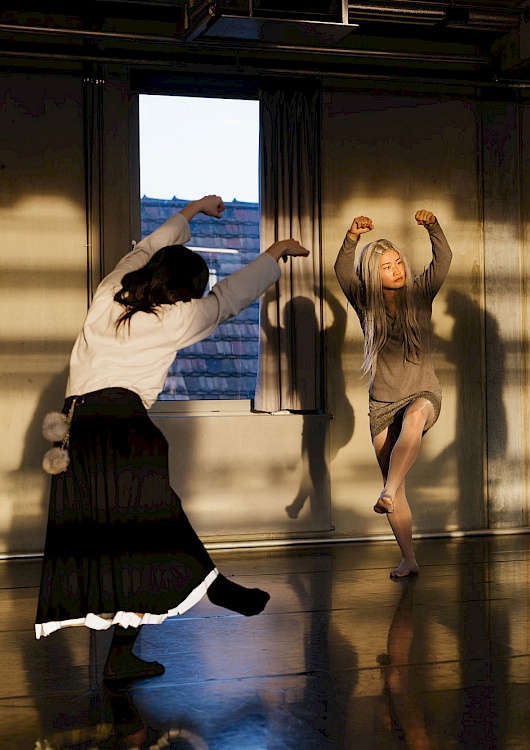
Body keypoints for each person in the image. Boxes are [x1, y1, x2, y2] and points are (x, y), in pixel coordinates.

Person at [34, 195, 309, 683]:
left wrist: (193, 211)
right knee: (152, 527)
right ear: (182, 292)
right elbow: (226, 300)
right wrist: (273, 255)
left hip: (78, 433)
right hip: (123, 428)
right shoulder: (173, 319)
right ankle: (214, 585)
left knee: (118, 544)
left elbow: (146, 248)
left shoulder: (108, 293)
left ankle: (121, 656)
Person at [336, 209, 452, 579]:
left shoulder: (420, 294)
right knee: (397, 494)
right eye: (387, 266)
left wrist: (432, 227)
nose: (397, 269)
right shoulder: (365, 303)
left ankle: (386, 488)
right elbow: (341, 271)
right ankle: (409, 558)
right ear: (375, 273)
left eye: (398, 262)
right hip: (383, 403)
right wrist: (352, 237)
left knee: (415, 418)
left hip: (422, 393)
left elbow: (444, 258)